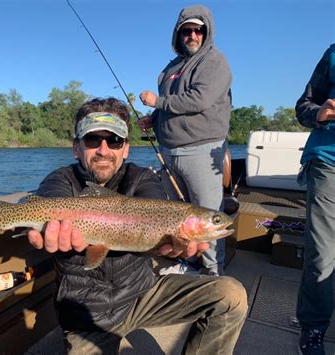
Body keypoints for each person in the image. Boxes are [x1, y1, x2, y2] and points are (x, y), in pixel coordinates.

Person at [27, 97, 247, 354]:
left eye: (115, 141)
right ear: (76, 148)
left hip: (142, 295)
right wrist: (42, 221)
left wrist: (166, 246)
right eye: (92, 140)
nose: (103, 150)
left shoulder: (141, 178)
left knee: (230, 295)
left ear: (126, 148)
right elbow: (50, 199)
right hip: (85, 314)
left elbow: (153, 207)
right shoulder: (60, 180)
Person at [138, 5, 232, 276]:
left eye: (198, 30)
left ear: (206, 32)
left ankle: (214, 272)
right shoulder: (170, 69)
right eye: (186, 30)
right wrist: (153, 118)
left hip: (201, 150)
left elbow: (199, 99)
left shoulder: (214, 62)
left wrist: (158, 101)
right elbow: (168, 106)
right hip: (168, 152)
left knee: (208, 218)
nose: (192, 35)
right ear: (178, 34)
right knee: (178, 218)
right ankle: (187, 263)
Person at [295, 44, 335, 355]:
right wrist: (318, 114)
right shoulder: (332, 54)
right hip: (327, 164)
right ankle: (313, 329)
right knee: (322, 254)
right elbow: (303, 107)